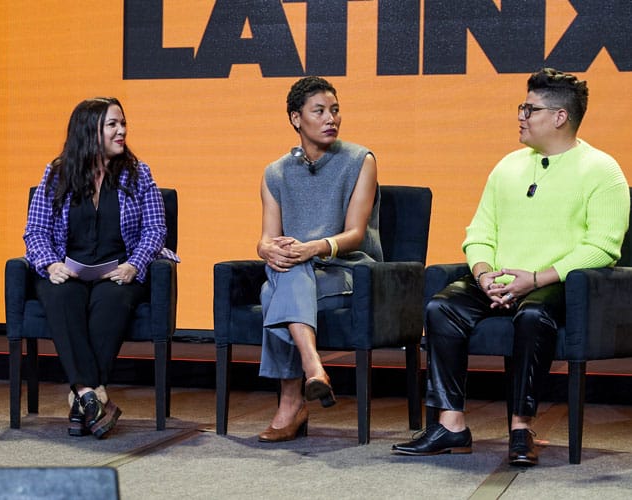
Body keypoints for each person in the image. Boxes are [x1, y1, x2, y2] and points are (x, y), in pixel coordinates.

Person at [392, 68, 629, 465]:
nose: (520, 115)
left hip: (557, 281)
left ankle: (521, 429)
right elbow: (479, 231)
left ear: (559, 117)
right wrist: (485, 273)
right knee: (441, 307)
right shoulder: (508, 166)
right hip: (500, 279)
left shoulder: (602, 170)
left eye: (529, 109)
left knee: (533, 314)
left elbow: (603, 248)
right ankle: (451, 425)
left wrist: (535, 279)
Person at [24, 97, 177, 439]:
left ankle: (82, 398)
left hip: (119, 269)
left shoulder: (138, 173)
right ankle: (93, 398)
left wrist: (134, 266)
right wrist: (49, 263)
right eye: (113, 124)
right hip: (69, 268)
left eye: (123, 123)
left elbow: (155, 229)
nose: (121, 131)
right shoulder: (57, 173)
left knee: (113, 299)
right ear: (89, 131)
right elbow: (35, 230)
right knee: (60, 295)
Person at [255, 76, 382, 442]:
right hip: (301, 270)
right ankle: (314, 372)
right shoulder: (275, 173)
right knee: (285, 273)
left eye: (335, 110)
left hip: (348, 269)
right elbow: (268, 236)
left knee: (272, 292)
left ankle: (291, 401)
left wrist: (312, 248)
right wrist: (266, 249)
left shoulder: (360, 160)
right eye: (320, 111)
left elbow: (355, 234)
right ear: (296, 119)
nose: (331, 119)